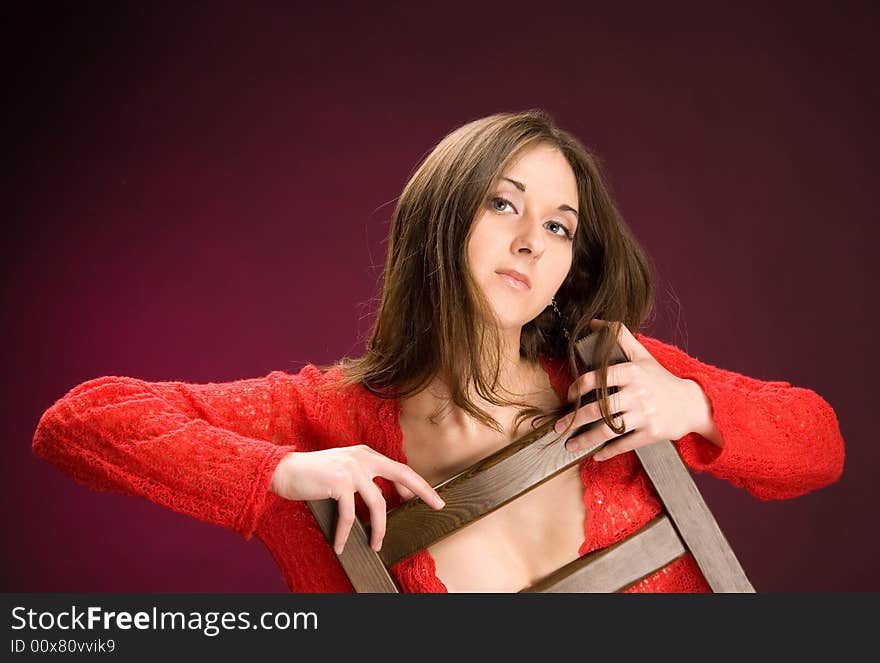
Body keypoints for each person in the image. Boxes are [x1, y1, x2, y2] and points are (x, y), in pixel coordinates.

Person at [31, 109, 845, 593]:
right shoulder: (323, 419)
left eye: (559, 225)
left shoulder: (614, 373)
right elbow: (77, 422)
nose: (532, 241)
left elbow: (820, 444)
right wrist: (281, 472)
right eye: (504, 204)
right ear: (441, 221)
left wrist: (694, 404)